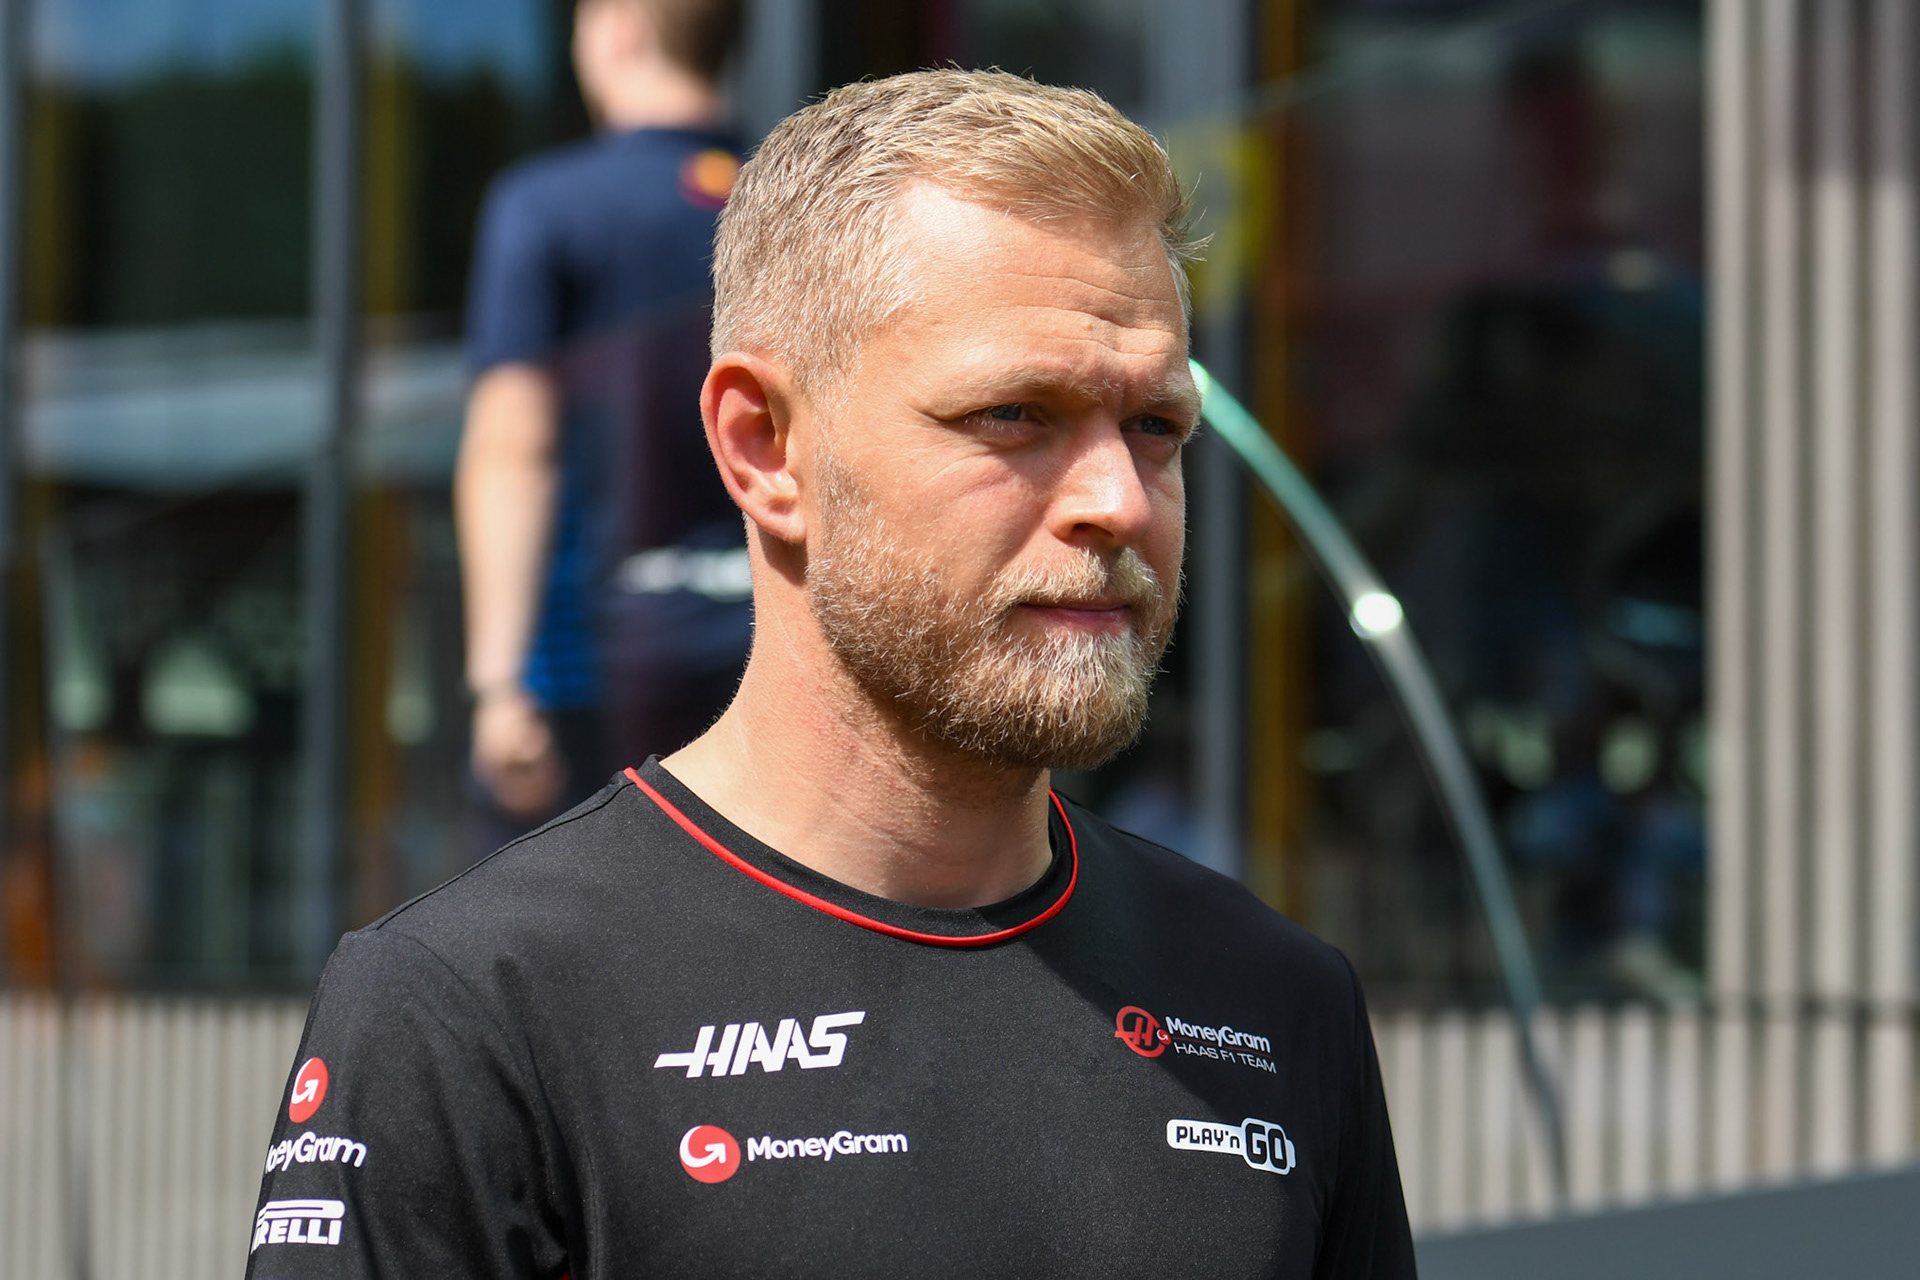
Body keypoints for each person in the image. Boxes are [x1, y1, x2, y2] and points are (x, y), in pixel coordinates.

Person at [248, 70, 1415, 1278]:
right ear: (765, 448)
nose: (1118, 501)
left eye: (1157, 427)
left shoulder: (1279, 1001)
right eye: (1015, 414)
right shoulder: (472, 1006)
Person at [457, 0, 750, 849]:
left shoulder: (545, 206)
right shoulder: (797, 203)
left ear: (618, 28)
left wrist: (501, 687)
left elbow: (514, 446)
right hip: (775, 652)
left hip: (602, 666)